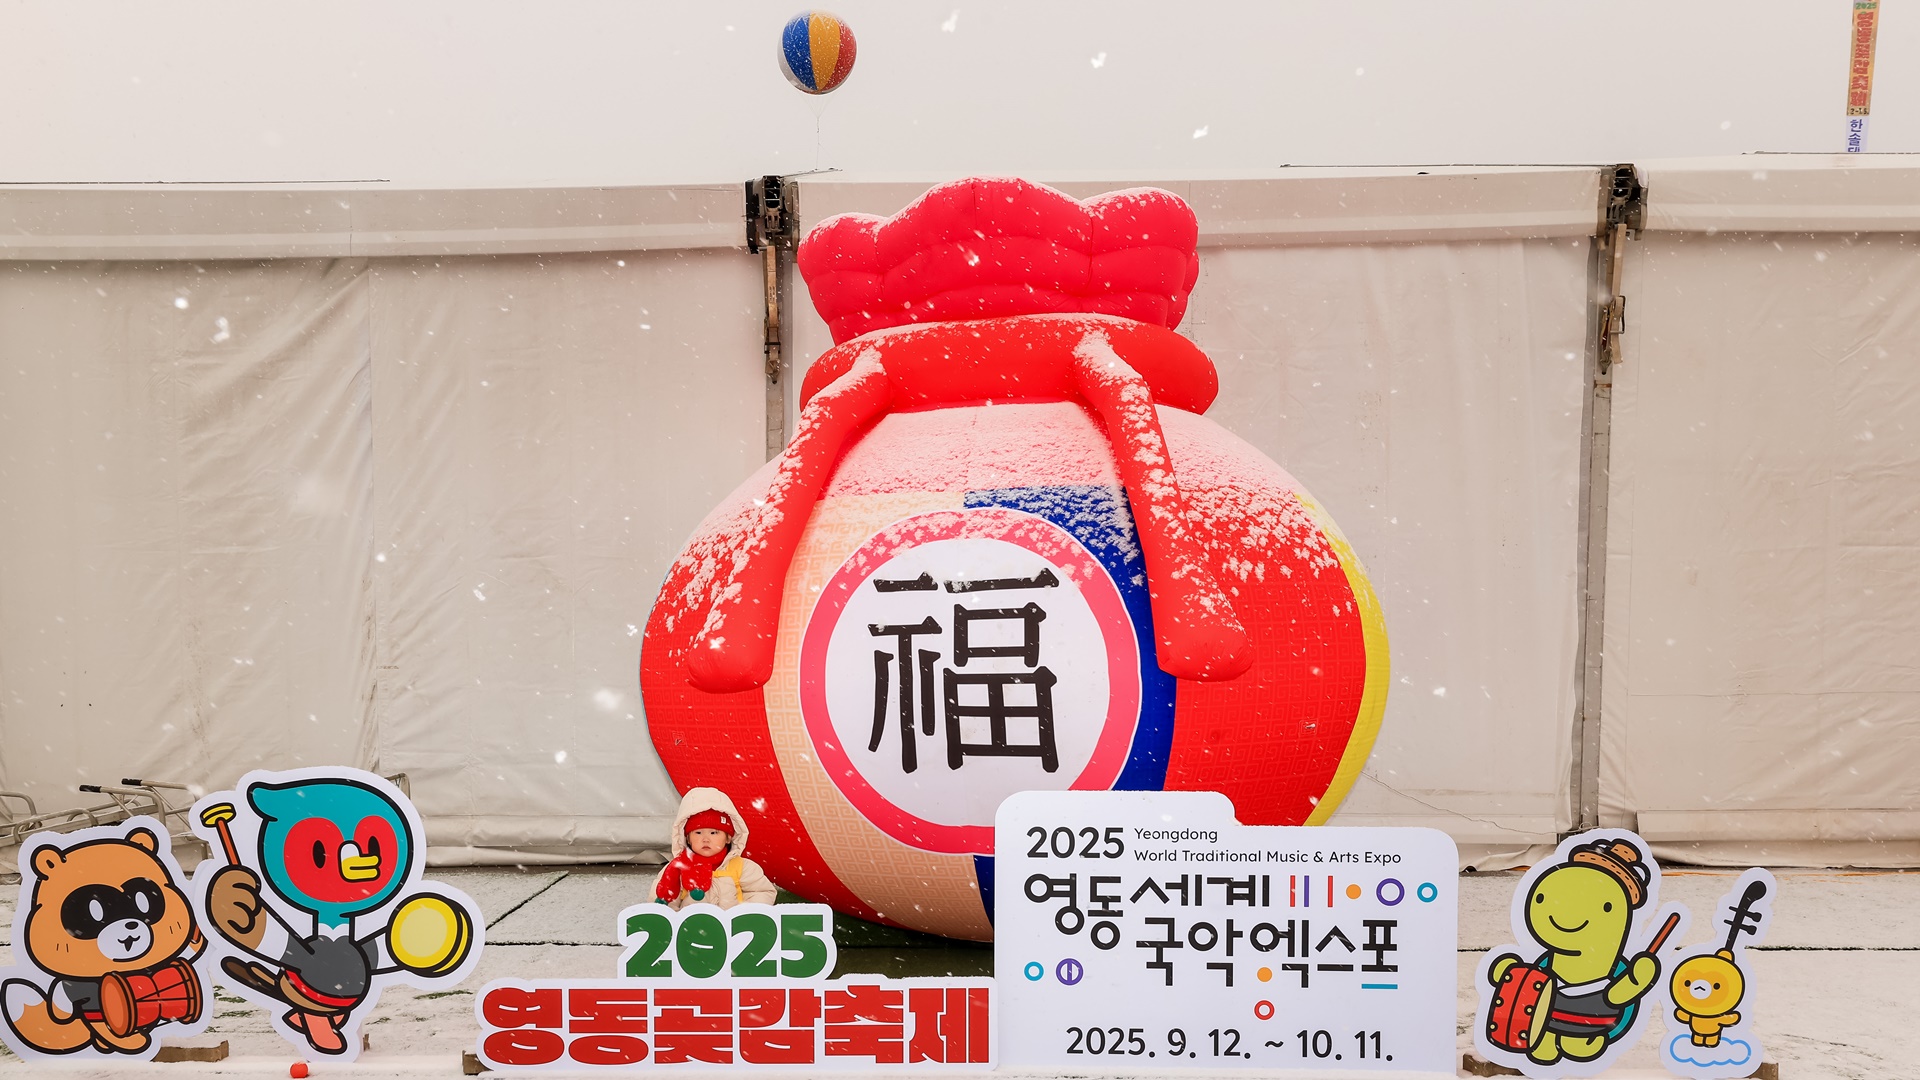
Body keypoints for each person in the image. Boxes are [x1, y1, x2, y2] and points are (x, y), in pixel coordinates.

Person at [651, 788, 776, 909]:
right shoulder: (677, 868)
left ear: (728, 838)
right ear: (687, 838)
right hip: (692, 922)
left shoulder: (742, 867)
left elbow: (762, 892)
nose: (706, 839)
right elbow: (663, 904)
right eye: (698, 833)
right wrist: (677, 919)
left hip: (730, 922)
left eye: (714, 833)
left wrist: (744, 913)